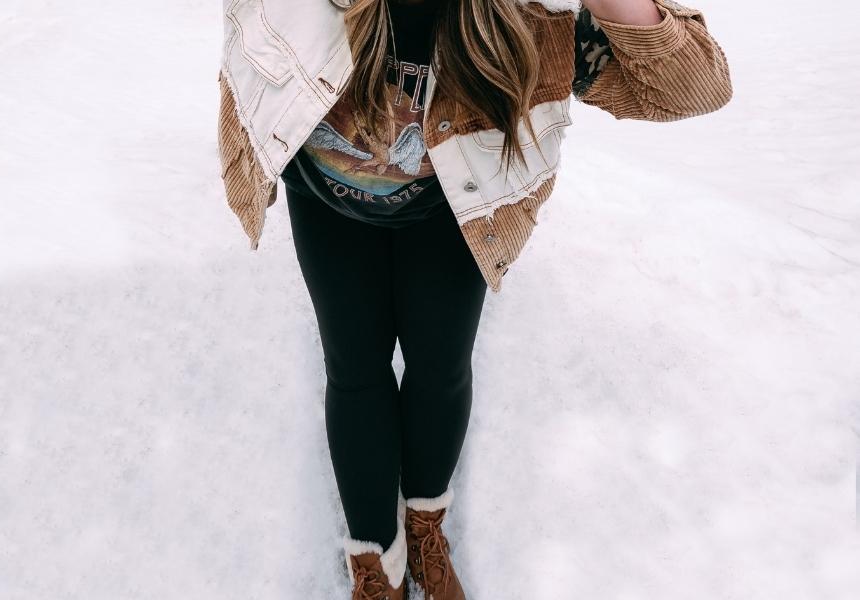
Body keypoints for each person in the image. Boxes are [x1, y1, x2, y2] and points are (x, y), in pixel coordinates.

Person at [216, 0, 733, 598]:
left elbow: (693, 88)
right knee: (354, 369)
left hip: (454, 214)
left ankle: (425, 523)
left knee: (439, 367)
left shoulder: (535, 14)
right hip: (328, 206)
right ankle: (375, 561)